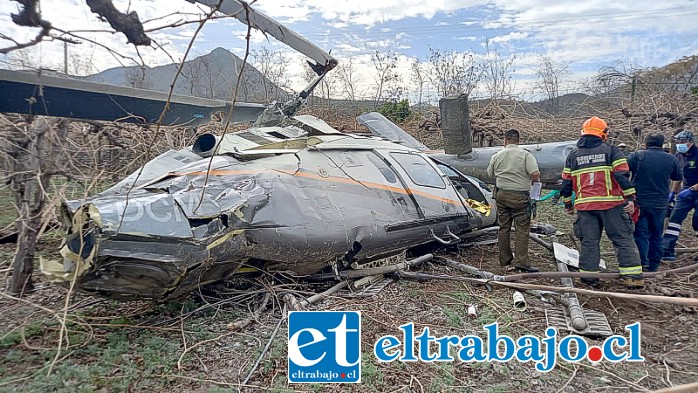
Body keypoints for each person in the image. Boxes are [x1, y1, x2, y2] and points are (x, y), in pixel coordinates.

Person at [559, 116, 644, 288]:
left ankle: (589, 278)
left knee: (589, 242)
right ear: (603, 134)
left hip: (585, 207)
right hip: (611, 205)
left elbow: (566, 182)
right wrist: (630, 198)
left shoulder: (573, 155)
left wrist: (568, 203)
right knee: (622, 239)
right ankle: (632, 278)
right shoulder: (612, 151)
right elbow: (622, 176)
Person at [487, 129, 541, 272]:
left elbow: (489, 173)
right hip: (519, 197)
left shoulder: (497, 156)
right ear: (518, 140)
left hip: (501, 196)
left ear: (505, 140)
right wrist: (532, 183)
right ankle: (521, 262)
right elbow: (535, 174)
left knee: (503, 228)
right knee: (522, 230)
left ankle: (505, 260)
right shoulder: (525, 155)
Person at [627, 134, 681, 272]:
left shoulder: (636, 156)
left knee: (641, 234)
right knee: (656, 234)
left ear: (646, 143)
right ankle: (654, 265)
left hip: (640, 202)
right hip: (660, 203)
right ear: (662, 144)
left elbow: (623, 174)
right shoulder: (671, 158)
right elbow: (677, 177)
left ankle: (643, 263)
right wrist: (672, 193)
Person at [662, 130, 698, 261]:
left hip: (695, 189)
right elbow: (678, 176)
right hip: (685, 191)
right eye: (677, 142)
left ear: (690, 142)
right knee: (674, 219)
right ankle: (667, 250)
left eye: (682, 142)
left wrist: (693, 189)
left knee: (697, 221)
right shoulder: (679, 155)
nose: (679, 144)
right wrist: (673, 192)